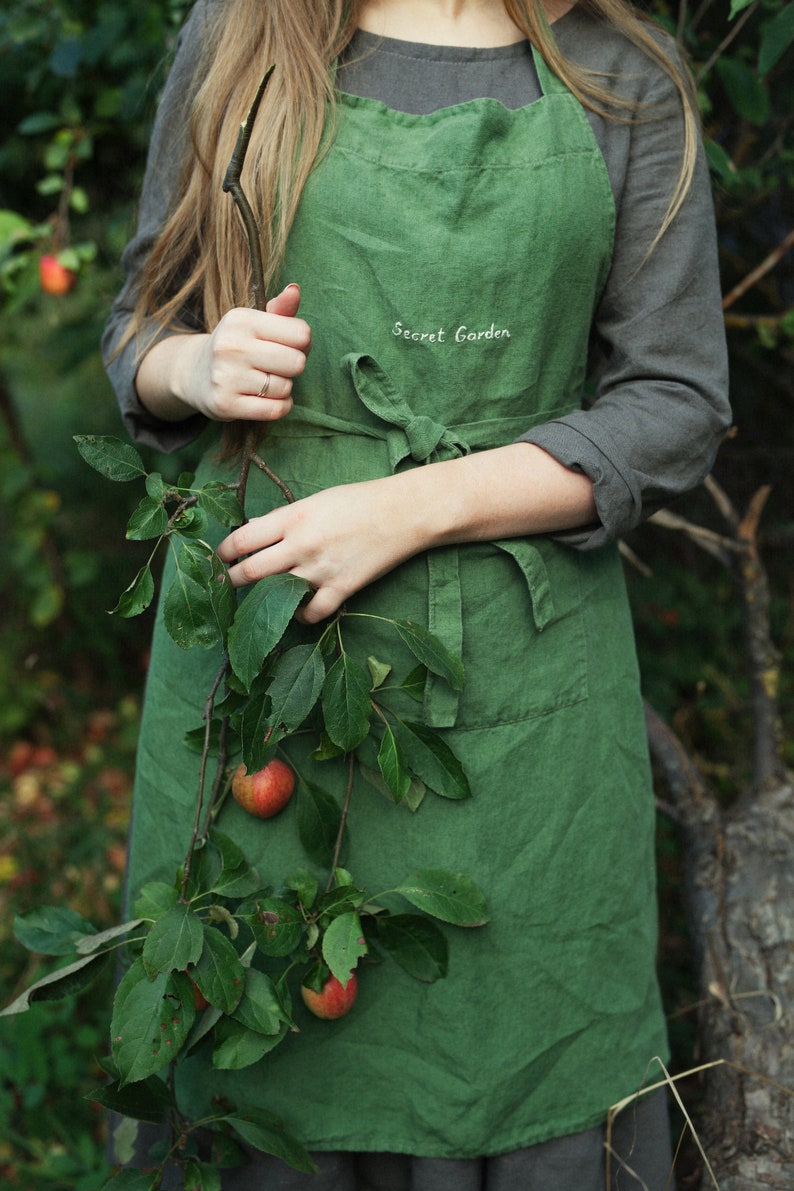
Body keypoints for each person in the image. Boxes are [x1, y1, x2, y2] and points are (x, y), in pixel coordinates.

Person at [102, 0, 731, 1186]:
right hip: (264, 663)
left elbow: (674, 404)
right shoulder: (247, 29)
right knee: (258, 1061)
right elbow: (141, 324)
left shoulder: (618, 69)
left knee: (526, 1059)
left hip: (523, 700)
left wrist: (413, 506)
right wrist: (197, 364)